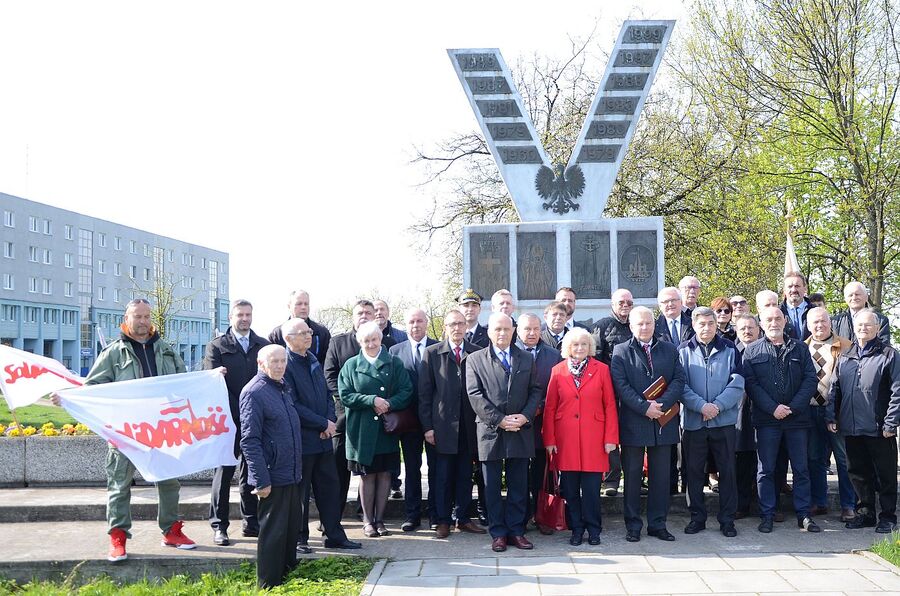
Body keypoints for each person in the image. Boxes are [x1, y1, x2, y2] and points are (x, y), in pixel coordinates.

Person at [81, 298, 194, 561]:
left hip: (162, 431)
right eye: (137, 316)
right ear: (127, 318)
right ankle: (118, 537)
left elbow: (184, 381)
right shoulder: (113, 353)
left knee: (169, 482)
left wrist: (212, 378)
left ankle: (171, 531)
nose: (143, 321)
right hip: (125, 433)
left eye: (146, 316)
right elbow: (92, 388)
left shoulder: (165, 350)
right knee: (119, 485)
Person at [282, 318, 361, 554]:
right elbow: (293, 404)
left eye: (309, 332)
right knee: (301, 493)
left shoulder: (313, 359)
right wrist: (321, 423)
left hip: (324, 438)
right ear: (288, 339)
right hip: (304, 440)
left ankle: (334, 535)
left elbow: (327, 395)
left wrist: (330, 422)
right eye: (303, 333)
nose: (309, 336)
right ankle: (299, 538)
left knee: (329, 489)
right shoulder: (285, 364)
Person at [466, 312, 542, 552]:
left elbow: (535, 390)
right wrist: (499, 420)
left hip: (520, 430)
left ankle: (516, 531)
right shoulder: (475, 359)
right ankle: (498, 533)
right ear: (489, 332)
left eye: (507, 329)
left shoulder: (526, 359)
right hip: (490, 432)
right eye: (497, 329)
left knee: (519, 484)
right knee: (491, 487)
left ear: (514, 331)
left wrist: (525, 416)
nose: (502, 333)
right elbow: (474, 395)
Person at [610, 306, 686, 543]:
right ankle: (633, 525)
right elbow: (621, 386)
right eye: (639, 324)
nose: (644, 327)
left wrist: (660, 405)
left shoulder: (670, 349)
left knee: (661, 478)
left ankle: (657, 524)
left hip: (663, 422)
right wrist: (645, 408)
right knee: (632, 477)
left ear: (654, 324)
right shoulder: (621, 351)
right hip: (634, 423)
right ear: (631, 326)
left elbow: (679, 379)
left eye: (648, 323)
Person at [743, 306, 820, 533]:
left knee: (801, 468)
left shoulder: (800, 348)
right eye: (769, 319)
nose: (774, 322)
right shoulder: (752, 351)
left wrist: (793, 408)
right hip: (767, 420)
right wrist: (773, 408)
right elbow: (751, 384)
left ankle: (804, 515)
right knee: (765, 469)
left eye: (778, 318)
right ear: (762, 323)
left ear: (785, 320)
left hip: (797, 420)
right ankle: (767, 514)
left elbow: (809, 380)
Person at [543, 328, 618, 546]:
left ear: (590, 347)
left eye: (584, 344)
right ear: (568, 348)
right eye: (575, 345)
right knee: (571, 490)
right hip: (565, 440)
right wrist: (549, 440)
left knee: (592, 491)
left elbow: (610, 405)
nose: (579, 348)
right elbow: (549, 408)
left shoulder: (601, 369)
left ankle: (594, 530)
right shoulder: (557, 371)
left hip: (595, 439)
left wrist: (610, 437)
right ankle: (576, 529)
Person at [337, 321, 412, 538]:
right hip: (362, 430)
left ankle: (381, 520)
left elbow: (406, 390)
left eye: (375, 339)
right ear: (360, 342)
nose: (371, 344)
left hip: (386, 428)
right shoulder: (351, 365)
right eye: (366, 340)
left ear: (381, 339)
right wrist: (371, 400)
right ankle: (368, 521)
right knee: (368, 475)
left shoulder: (394, 363)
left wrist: (389, 403)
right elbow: (345, 395)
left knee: (385, 475)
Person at [827, 310, 900, 533]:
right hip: (851, 426)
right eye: (859, 325)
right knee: (858, 473)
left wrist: (891, 423)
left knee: (886, 474)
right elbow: (834, 388)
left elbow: (898, 390)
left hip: (879, 428)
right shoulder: (846, 355)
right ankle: (865, 513)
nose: (863, 329)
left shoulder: (889, 354)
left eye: (868, 325)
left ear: (877, 328)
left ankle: (888, 516)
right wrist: (831, 415)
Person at [323, 300, 398, 517]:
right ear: (353, 317)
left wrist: (384, 404)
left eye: (368, 312)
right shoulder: (338, 343)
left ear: (376, 315)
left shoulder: (389, 342)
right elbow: (330, 377)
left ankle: (364, 512)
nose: (363, 315)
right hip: (345, 417)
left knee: (374, 469)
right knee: (340, 469)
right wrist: (352, 401)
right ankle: (333, 516)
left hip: (380, 416)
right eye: (359, 313)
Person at [240, 345, 303, 589]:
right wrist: (260, 479)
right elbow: (250, 439)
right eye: (274, 361)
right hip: (272, 473)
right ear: (261, 363)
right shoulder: (254, 392)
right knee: (273, 531)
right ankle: (268, 583)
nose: (279, 366)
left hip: (290, 471)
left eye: (282, 361)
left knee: (289, 529)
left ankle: (286, 574)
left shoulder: (282, 387)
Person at [418, 309, 486, 538]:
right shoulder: (432, 353)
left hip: (469, 426)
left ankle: (463, 518)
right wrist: (427, 427)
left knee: (465, 475)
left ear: (466, 326)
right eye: (452, 324)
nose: (457, 328)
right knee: (443, 476)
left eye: (460, 323)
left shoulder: (476, 353)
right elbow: (424, 395)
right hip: (442, 427)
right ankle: (442, 519)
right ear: (445, 327)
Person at [205, 299, 268, 546]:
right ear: (230, 318)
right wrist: (238, 411)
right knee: (223, 473)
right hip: (227, 421)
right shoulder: (217, 347)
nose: (244, 319)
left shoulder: (262, 345)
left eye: (248, 314)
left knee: (251, 473)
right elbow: (214, 385)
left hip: (255, 421)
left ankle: (251, 522)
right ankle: (219, 526)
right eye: (240, 314)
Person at [678, 307, 744, 537]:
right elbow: (680, 385)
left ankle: (727, 520)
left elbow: (737, 383)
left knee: (727, 472)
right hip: (694, 424)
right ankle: (697, 518)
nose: (706, 328)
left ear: (717, 324)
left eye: (710, 323)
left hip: (723, 422)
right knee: (694, 473)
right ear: (694, 325)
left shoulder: (729, 349)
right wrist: (701, 406)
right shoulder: (683, 351)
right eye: (701, 324)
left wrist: (716, 406)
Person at [804, 307, 856, 523]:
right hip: (810, 410)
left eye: (823, 321)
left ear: (830, 322)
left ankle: (848, 505)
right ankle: (819, 502)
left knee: (843, 460)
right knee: (815, 458)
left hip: (836, 412)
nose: (819, 325)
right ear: (808, 325)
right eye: (815, 322)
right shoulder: (801, 348)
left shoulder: (845, 346)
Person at [388, 308, 438, 531]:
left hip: (436, 420)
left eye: (419, 321)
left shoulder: (438, 347)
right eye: (411, 322)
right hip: (408, 420)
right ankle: (412, 515)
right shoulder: (394, 351)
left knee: (437, 468)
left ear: (426, 323)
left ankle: (437, 515)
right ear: (405, 325)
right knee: (412, 467)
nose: (415, 325)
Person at [515, 313, 563, 532]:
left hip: (544, 423)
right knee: (519, 474)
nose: (532, 333)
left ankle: (542, 515)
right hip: (516, 426)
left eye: (536, 328)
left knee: (542, 474)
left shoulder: (553, 355)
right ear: (518, 330)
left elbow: (558, 389)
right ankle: (522, 516)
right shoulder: (512, 353)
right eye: (527, 329)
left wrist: (539, 407)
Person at [592, 288, 634, 496]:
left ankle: (635, 478)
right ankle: (612, 480)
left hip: (634, 393)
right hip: (610, 392)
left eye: (629, 302)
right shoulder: (601, 327)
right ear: (612, 304)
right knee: (611, 436)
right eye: (621, 302)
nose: (625, 306)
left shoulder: (637, 325)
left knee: (633, 437)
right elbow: (597, 359)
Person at [732, 314, 761, 518]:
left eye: (751, 327)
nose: (747, 331)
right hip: (738, 415)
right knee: (741, 462)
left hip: (764, 413)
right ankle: (741, 505)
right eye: (742, 328)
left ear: (759, 329)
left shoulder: (765, 349)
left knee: (765, 463)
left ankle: (766, 506)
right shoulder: (730, 351)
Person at [268, 290, 332, 363]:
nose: (303, 307)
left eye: (306, 304)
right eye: (299, 304)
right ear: (289, 306)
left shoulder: (321, 332)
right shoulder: (277, 334)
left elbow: (327, 362)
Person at [780, 271, 812, 341]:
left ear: (805, 288)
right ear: (784, 290)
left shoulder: (814, 310)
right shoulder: (778, 313)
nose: (794, 290)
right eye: (790, 286)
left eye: (797, 286)